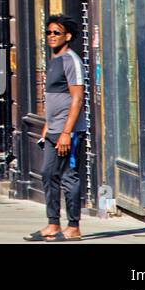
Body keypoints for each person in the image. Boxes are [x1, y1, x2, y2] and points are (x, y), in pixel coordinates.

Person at [27, 14, 87, 242]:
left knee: (68, 177)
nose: (51, 37)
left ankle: (73, 227)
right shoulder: (54, 61)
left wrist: (65, 132)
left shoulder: (72, 60)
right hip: (53, 129)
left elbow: (77, 98)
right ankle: (53, 224)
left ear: (68, 36)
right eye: (49, 33)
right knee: (48, 174)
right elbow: (52, 100)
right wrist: (46, 126)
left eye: (56, 33)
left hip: (68, 131)